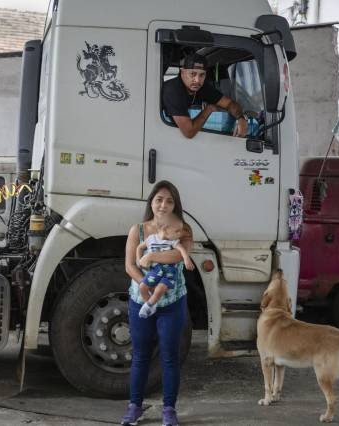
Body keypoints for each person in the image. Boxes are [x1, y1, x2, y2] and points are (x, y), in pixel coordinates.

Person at [121, 180, 193, 426]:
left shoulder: (184, 230)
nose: (163, 205)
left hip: (172, 302)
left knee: (170, 356)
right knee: (140, 355)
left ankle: (169, 410)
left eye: (169, 200)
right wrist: (146, 283)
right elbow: (130, 265)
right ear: (151, 202)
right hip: (140, 300)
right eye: (159, 199)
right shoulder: (138, 230)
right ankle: (134, 406)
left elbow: (179, 256)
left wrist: (151, 256)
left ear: (176, 205)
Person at [162, 53, 248, 139]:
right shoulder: (172, 90)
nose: (197, 80)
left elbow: (229, 104)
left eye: (202, 75)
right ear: (182, 72)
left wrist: (241, 118)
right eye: (192, 74)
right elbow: (189, 132)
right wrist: (208, 109)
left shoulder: (202, 87)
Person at [137, 213, 194, 319]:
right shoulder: (151, 239)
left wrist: (186, 259)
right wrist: (139, 260)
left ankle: (147, 306)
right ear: (165, 229)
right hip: (155, 270)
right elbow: (139, 248)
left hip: (169, 271)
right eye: (177, 231)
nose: (180, 234)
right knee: (142, 287)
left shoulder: (173, 241)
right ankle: (151, 304)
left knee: (160, 289)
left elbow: (182, 250)